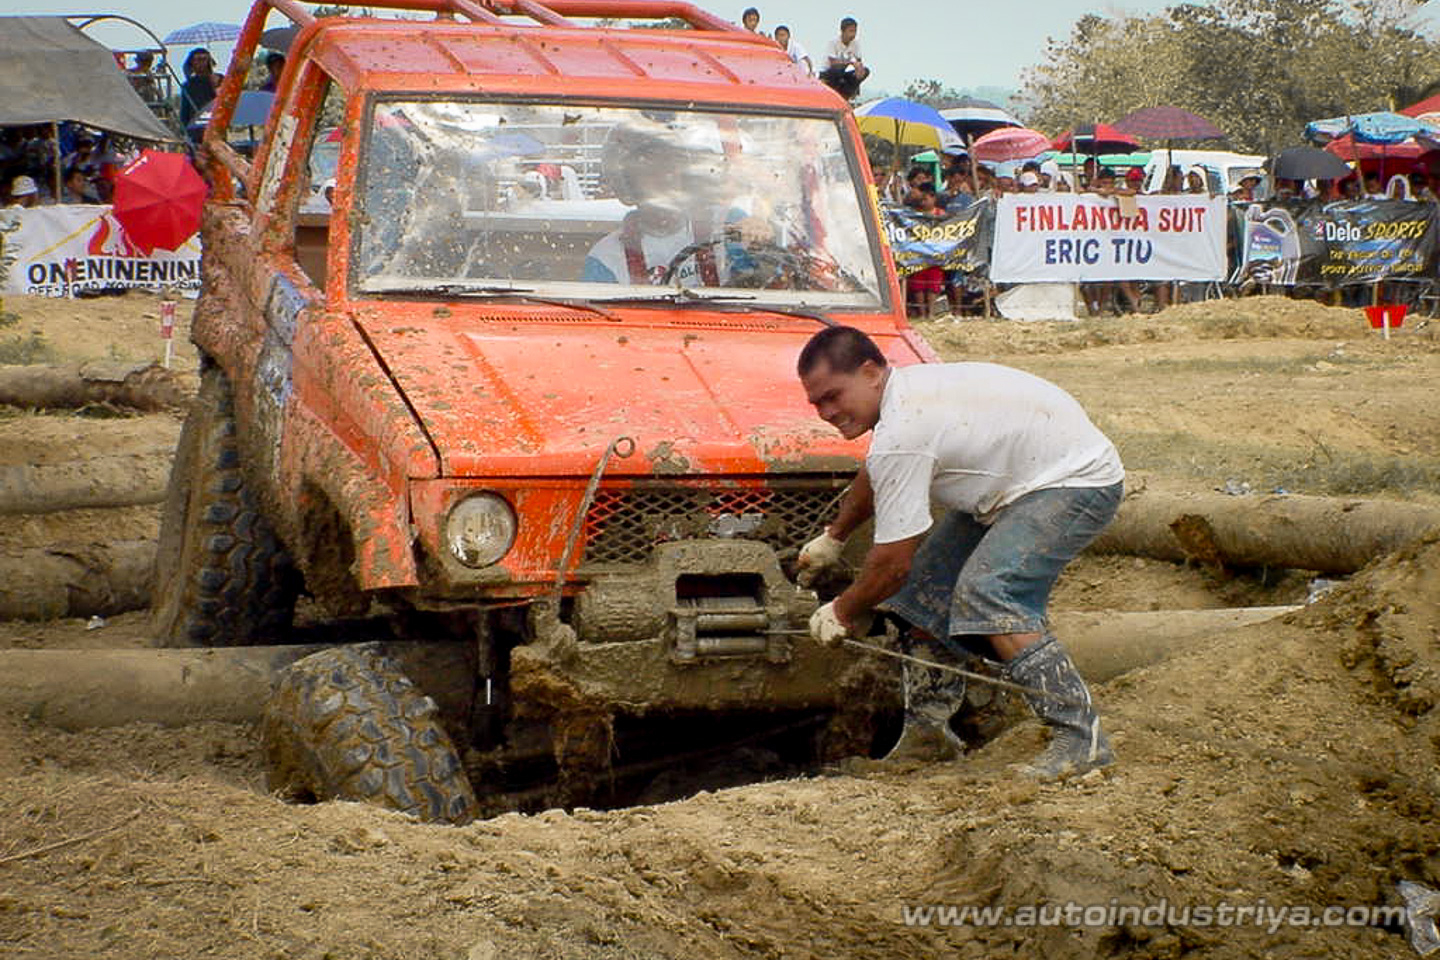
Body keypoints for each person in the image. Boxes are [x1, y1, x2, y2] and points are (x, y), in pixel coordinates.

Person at [796, 325, 1123, 779]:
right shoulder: (900, 398)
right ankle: (927, 739)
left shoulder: (905, 430)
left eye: (834, 396)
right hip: (1018, 479)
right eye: (817, 404)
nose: (827, 412)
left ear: (870, 372)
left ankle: (1081, 739)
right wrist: (835, 536)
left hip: (1072, 481)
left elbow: (892, 565)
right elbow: (875, 473)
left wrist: (843, 610)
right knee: (921, 598)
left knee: (989, 594)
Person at [581, 120, 766, 285]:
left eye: (671, 164)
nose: (665, 177)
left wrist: (759, 238)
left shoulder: (727, 223)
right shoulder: (606, 258)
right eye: (649, 169)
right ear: (626, 185)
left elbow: (766, 281)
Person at [819, 17, 868, 100]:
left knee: (865, 71)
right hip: (830, 73)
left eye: (855, 31)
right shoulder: (833, 42)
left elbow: (858, 60)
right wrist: (851, 63)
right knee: (838, 69)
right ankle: (835, 91)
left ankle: (848, 92)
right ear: (843, 31)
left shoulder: (855, 43)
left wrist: (860, 69)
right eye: (850, 31)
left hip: (844, 72)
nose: (853, 34)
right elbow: (833, 62)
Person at [180, 48, 223, 136]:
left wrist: (216, 86)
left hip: (214, 122)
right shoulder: (188, 84)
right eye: (198, 60)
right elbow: (185, 112)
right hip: (195, 125)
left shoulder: (218, 79)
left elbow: (223, 100)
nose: (201, 63)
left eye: (204, 59)